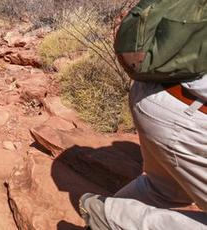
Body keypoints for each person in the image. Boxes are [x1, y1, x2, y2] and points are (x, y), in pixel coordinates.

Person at [79, 75, 207, 229]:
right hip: (190, 117)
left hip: (153, 91)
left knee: (166, 187)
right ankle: (115, 219)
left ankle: (107, 215)